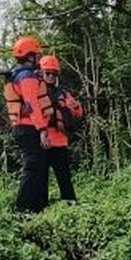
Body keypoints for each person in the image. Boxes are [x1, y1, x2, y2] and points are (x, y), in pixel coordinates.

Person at [3, 36, 53, 213]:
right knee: (32, 168)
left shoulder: (18, 75)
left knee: (37, 168)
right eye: (37, 55)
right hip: (29, 128)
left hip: (22, 127)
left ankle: (36, 209)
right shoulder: (27, 77)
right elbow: (32, 105)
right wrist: (42, 129)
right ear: (30, 56)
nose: (40, 58)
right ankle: (22, 210)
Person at [39, 54, 84, 203]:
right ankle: (42, 205)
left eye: (54, 73)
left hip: (60, 141)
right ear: (41, 73)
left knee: (64, 175)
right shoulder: (36, 92)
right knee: (41, 177)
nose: (51, 76)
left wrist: (75, 106)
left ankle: (70, 202)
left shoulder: (64, 93)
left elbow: (78, 113)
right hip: (42, 141)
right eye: (48, 73)